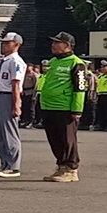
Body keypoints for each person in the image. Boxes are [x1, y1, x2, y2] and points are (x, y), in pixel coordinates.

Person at [39, 32, 87, 183]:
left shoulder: (76, 63)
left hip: (65, 107)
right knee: (54, 139)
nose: (53, 45)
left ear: (67, 46)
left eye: (57, 43)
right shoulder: (53, 61)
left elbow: (79, 88)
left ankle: (71, 169)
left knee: (67, 140)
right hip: (48, 106)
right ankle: (61, 165)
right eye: (53, 42)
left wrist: (77, 110)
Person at [0, 32, 27, 178]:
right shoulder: (2, 60)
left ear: (16, 44)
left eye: (7, 43)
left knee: (9, 133)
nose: (4, 45)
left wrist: (16, 104)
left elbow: (16, 84)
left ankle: (13, 166)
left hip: (9, 96)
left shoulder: (16, 61)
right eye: (3, 42)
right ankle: (4, 164)